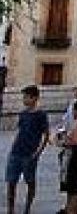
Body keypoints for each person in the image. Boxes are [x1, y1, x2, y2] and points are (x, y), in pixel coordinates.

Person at [5, 86, 48, 214]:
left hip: (30, 153)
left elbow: (46, 135)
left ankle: (27, 208)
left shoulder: (41, 115)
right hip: (16, 151)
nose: (24, 100)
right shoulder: (23, 114)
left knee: (30, 181)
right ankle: (10, 209)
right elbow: (20, 131)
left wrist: (38, 152)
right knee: (11, 181)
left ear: (34, 98)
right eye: (24, 97)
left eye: (27, 97)